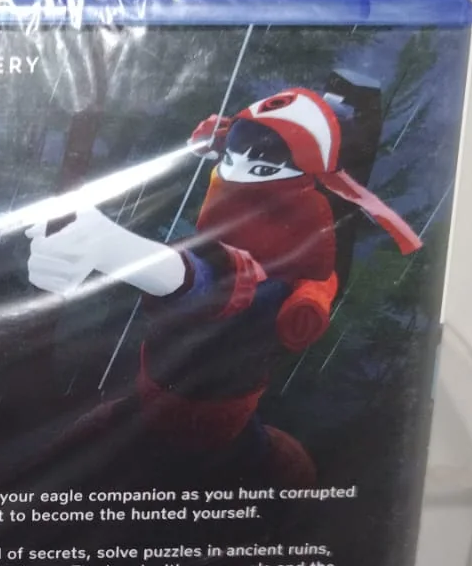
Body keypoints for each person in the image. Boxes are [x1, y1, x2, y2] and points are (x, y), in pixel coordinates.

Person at [25, 86, 421, 483]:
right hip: (154, 405)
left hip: (213, 432)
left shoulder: (281, 281)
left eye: (262, 167)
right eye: (231, 157)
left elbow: (212, 283)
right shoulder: (239, 221)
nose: (236, 172)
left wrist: (112, 247)